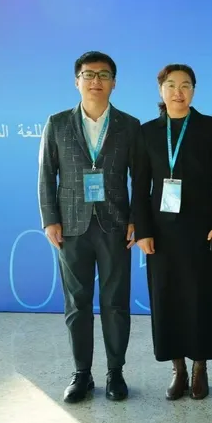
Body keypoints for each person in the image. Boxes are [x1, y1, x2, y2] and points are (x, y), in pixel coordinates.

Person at [37, 51, 142, 403]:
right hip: (71, 227)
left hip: (116, 225)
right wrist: (50, 219)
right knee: (77, 303)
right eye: (88, 74)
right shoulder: (57, 123)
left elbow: (141, 178)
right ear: (77, 81)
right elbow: (46, 174)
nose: (96, 81)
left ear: (114, 82)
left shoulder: (129, 125)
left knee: (116, 303)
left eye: (103, 75)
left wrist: (136, 218)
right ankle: (82, 373)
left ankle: (115, 372)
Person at [132, 64, 212, 401]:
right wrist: (143, 230)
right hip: (161, 232)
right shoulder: (147, 132)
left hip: (203, 230)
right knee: (167, 299)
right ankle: (177, 368)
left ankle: (200, 365)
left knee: (202, 297)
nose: (178, 92)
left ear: (194, 90)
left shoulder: (210, 127)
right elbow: (140, 186)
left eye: (186, 85)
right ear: (160, 90)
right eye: (171, 85)